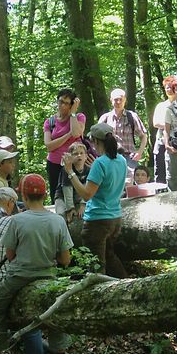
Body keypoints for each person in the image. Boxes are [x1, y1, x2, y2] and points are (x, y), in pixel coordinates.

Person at [0, 174, 73, 354]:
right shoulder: (57, 220)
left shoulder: (17, 220)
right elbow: (66, 260)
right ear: (45, 194)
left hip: (18, 277)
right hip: (48, 276)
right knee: (57, 312)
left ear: (22, 196)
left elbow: (10, 255)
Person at [68, 122, 128, 278]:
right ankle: (126, 285)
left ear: (94, 141)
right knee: (109, 256)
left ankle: (98, 296)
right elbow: (109, 181)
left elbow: (87, 195)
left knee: (96, 266)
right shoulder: (121, 160)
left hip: (97, 221)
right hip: (115, 218)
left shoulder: (100, 163)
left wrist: (70, 173)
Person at [44, 87, 87, 192]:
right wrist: (68, 135)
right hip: (54, 164)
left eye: (66, 103)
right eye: (60, 101)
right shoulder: (50, 122)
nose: (62, 105)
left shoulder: (79, 117)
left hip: (75, 163)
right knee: (56, 194)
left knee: (76, 194)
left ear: (72, 105)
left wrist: (72, 113)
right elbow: (49, 146)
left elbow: (76, 133)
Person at [99, 88, 149, 168]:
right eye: (116, 100)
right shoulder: (105, 118)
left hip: (129, 158)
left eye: (120, 99)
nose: (118, 102)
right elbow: (96, 138)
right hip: (110, 157)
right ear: (111, 100)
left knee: (129, 180)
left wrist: (139, 152)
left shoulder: (132, 117)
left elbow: (143, 136)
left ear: (125, 100)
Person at [54, 142, 90, 224]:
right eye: (75, 154)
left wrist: (83, 204)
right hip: (62, 197)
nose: (79, 155)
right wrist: (70, 208)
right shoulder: (66, 169)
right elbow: (67, 189)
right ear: (70, 157)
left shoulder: (88, 170)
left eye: (81, 153)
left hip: (79, 196)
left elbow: (88, 188)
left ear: (86, 156)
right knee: (60, 215)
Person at [150, 78, 177, 184]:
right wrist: (171, 125)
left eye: (171, 87)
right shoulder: (161, 106)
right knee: (160, 171)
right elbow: (156, 123)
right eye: (167, 87)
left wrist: (167, 125)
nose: (169, 89)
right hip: (161, 142)